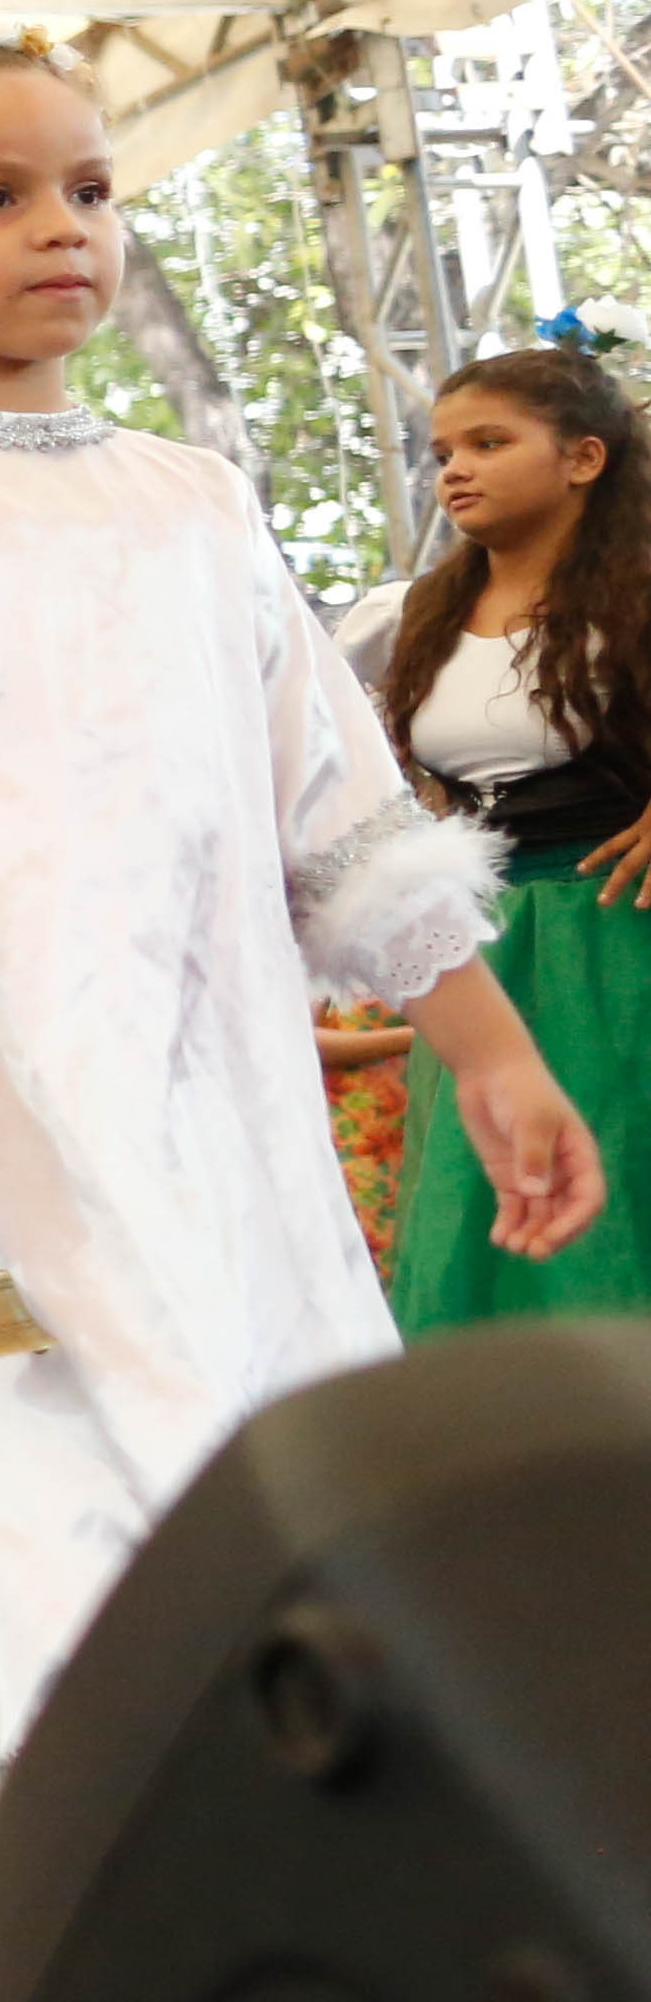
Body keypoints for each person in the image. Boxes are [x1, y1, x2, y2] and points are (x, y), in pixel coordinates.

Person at [0, 26, 599, 1788]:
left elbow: (336, 807)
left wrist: (491, 1056)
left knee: (276, 1431)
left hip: (224, 1085)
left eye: (92, 191)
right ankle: (84, 1855)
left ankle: (321, 1832)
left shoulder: (189, 497)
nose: (64, 228)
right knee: (46, 1468)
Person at [378, 345, 651, 1330]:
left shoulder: (639, 590)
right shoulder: (426, 608)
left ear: (584, 458)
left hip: (621, 933)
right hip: (490, 943)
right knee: (485, 1205)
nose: (456, 470)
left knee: (619, 1185)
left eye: (489, 444)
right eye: (443, 451)